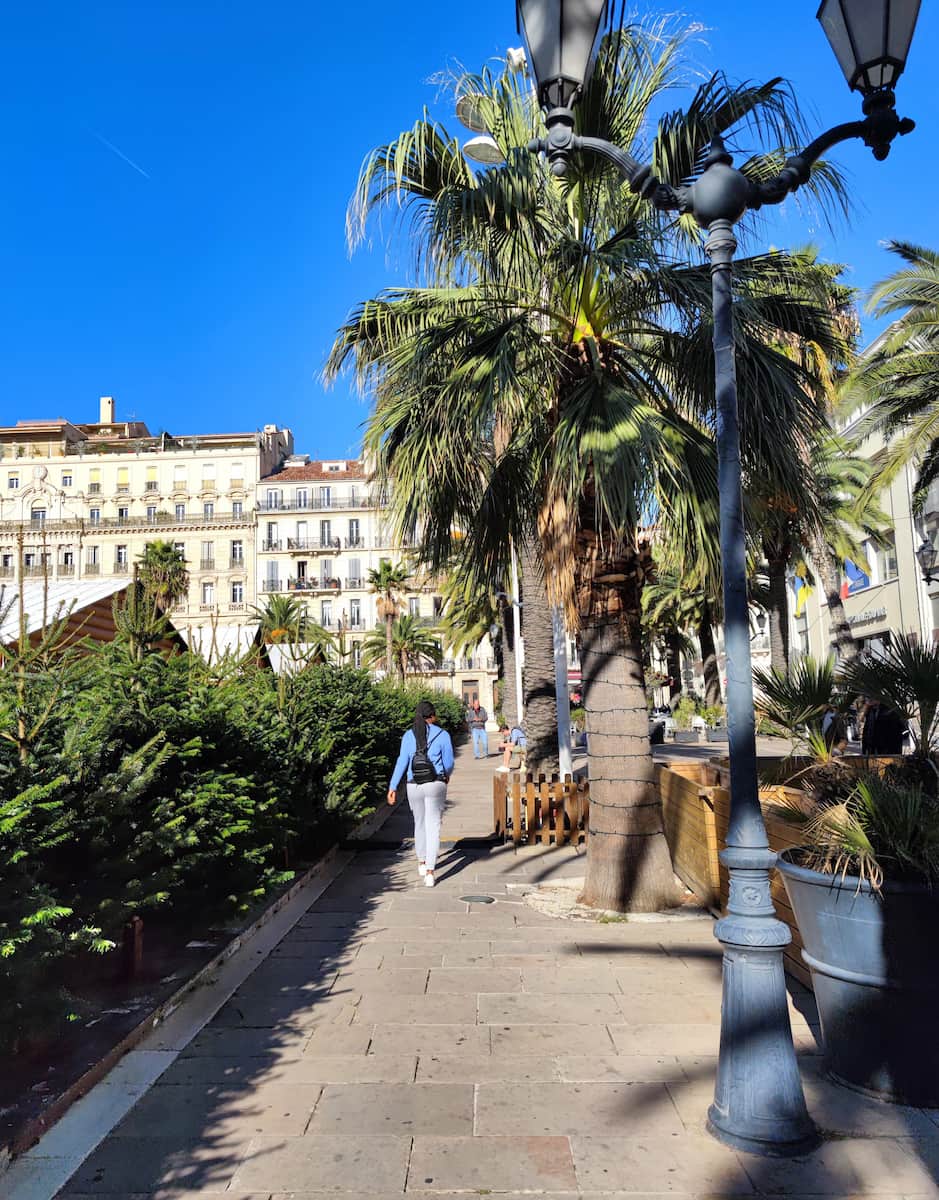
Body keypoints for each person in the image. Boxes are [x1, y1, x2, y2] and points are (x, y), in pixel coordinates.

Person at [388, 700, 455, 887]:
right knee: (433, 826)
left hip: (413, 784)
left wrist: (392, 787)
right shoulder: (443, 735)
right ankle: (430, 873)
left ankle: (422, 861)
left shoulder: (408, 736)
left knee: (419, 822)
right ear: (432, 716)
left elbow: (402, 762)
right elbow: (449, 763)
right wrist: (446, 776)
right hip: (435, 783)